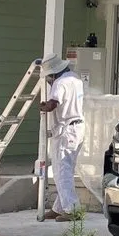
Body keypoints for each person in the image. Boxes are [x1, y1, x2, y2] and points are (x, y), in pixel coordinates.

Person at [38, 53, 85, 221]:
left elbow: (53, 105)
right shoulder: (75, 79)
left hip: (66, 130)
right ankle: (59, 207)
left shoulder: (60, 83)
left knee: (61, 172)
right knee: (65, 171)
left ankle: (72, 210)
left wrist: (43, 106)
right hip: (78, 128)